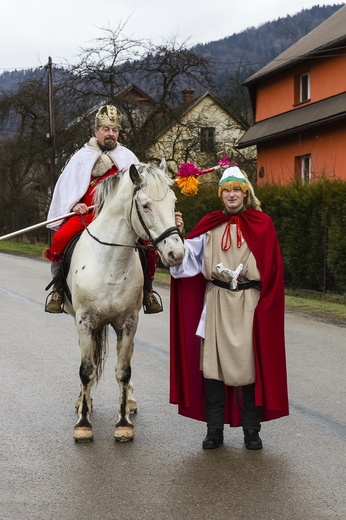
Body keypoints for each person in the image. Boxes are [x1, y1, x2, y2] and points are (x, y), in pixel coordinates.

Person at [170, 166, 289, 450]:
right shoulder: (209, 225)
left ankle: (251, 430)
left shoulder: (262, 223)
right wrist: (176, 234)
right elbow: (185, 263)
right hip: (218, 302)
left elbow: (273, 269)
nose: (232, 195)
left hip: (249, 303)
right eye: (227, 190)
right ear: (220, 194)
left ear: (245, 193)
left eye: (237, 190)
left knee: (248, 367)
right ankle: (214, 430)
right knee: (212, 366)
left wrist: (267, 309)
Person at [43, 104, 163, 314]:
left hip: (122, 217)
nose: (110, 134)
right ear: (96, 131)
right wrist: (75, 204)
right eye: (106, 129)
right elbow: (70, 188)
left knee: (147, 245)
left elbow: (141, 189)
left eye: (114, 130)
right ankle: (58, 290)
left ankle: (148, 292)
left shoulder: (128, 157)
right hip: (88, 215)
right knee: (60, 239)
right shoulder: (81, 157)